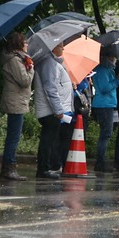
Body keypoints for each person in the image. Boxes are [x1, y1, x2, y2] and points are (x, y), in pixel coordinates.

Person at [33, 42, 73, 179]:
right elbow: (51, 88)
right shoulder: (49, 63)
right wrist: (58, 109)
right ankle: (44, 169)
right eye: (61, 45)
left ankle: (45, 167)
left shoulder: (52, 62)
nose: (63, 48)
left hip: (50, 109)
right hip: (49, 110)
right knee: (48, 140)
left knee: (50, 139)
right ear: (53, 47)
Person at [0, 32, 34, 181]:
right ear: (19, 44)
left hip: (17, 100)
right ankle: (9, 168)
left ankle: (9, 167)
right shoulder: (14, 60)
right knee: (13, 137)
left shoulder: (19, 59)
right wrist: (31, 68)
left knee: (14, 136)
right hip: (15, 101)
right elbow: (24, 80)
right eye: (25, 43)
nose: (27, 45)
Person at [90, 46, 119, 173]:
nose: (114, 59)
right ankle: (100, 162)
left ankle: (101, 161)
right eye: (112, 57)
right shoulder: (102, 70)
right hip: (104, 104)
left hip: (107, 104)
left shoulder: (108, 69)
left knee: (106, 134)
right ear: (107, 57)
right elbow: (104, 88)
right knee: (105, 134)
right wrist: (118, 81)